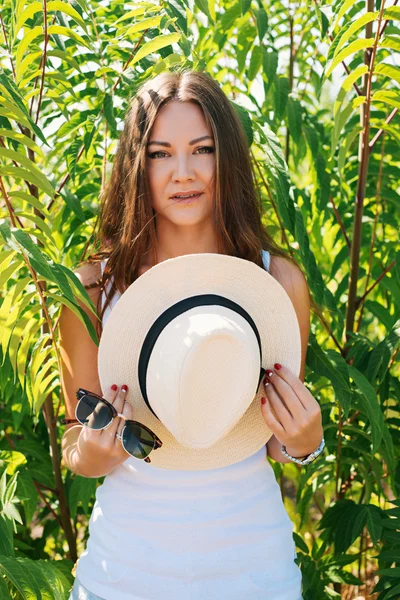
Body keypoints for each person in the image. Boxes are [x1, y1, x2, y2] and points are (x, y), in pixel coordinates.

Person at [59, 70, 324, 600]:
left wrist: (305, 441)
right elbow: (74, 439)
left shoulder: (277, 284)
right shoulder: (93, 290)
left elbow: (275, 441)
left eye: (201, 149)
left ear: (226, 157)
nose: (183, 172)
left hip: (255, 573)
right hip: (125, 574)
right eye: (160, 154)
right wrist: (95, 452)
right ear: (136, 165)